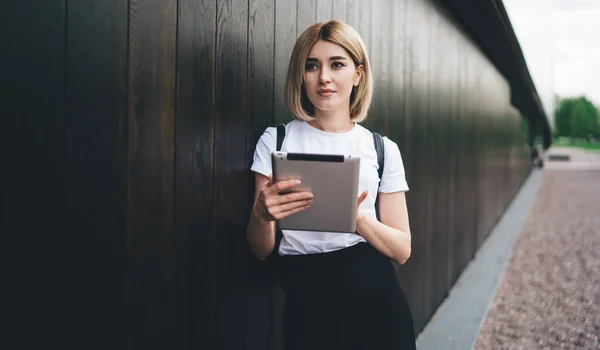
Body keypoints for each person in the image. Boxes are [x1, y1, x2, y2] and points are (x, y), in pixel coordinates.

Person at [246, 20, 415, 350]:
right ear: (301, 75)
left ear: (357, 75)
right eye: (312, 65)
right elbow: (261, 248)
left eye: (337, 64)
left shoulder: (382, 149)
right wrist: (260, 215)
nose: (323, 77)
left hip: (376, 298)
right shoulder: (276, 140)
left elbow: (402, 249)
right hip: (307, 301)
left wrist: (359, 221)